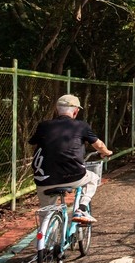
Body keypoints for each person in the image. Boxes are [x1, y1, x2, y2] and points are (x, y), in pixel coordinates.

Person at [29, 94, 112, 224]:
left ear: (56, 110)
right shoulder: (81, 126)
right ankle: (82, 209)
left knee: (45, 211)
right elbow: (99, 145)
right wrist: (106, 152)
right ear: (75, 111)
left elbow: (33, 142)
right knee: (93, 178)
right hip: (73, 176)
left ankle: (44, 238)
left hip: (43, 178)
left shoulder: (43, 126)